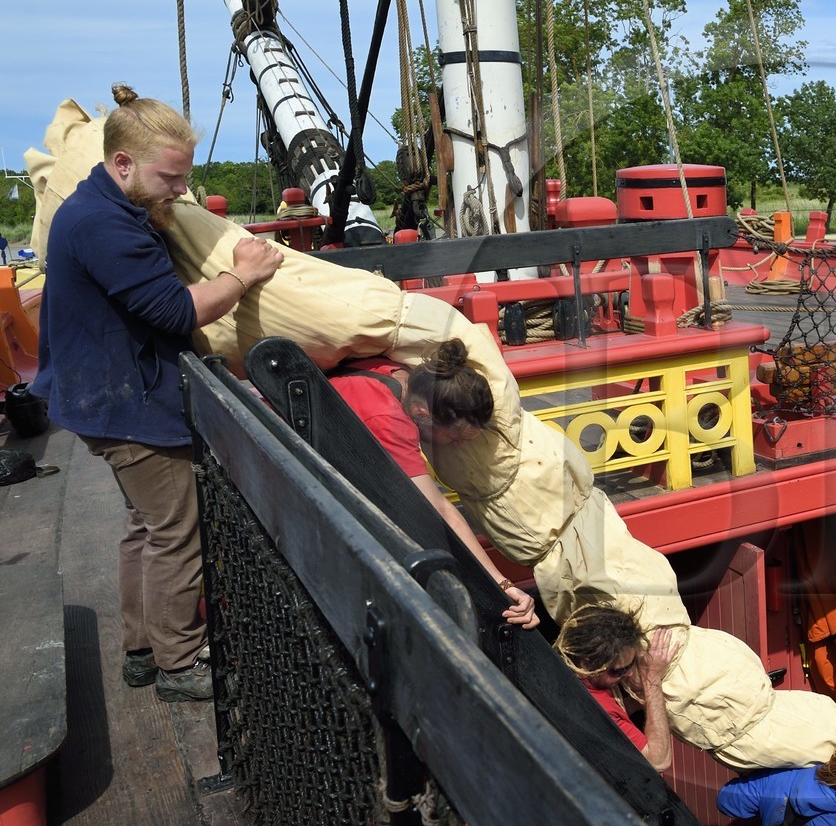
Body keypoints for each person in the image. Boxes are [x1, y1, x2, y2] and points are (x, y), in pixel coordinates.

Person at [34, 85, 284, 702]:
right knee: (177, 531)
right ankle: (181, 663)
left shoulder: (99, 206)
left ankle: (142, 649)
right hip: (126, 405)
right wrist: (242, 273)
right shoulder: (104, 226)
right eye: (170, 178)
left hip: (98, 395)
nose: (180, 191)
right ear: (122, 164)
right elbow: (176, 311)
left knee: (146, 527)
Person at [326, 338, 539, 626]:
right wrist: (502, 584)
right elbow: (439, 510)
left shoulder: (400, 374)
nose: (456, 446)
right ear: (422, 414)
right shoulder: (389, 420)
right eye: (454, 438)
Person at [552, 604, 680, 771]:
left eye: (632, 664)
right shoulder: (593, 707)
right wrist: (651, 678)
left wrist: (636, 704)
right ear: (586, 665)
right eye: (618, 671)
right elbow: (658, 761)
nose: (628, 675)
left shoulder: (565, 668)